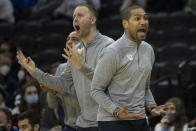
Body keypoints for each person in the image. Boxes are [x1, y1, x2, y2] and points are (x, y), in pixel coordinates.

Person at [16, 4, 114, 131]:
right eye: (74, 17)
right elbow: (62, 84)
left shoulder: (109, 46)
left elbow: (106, 81)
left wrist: (81, 67)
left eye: (80, 15)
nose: (75, 19)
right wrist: (34, 71)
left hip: (106, 122)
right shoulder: (75, 51)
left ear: (92, 20)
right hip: (83, 124)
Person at [90, 5, 168, 131]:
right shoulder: (112, 51)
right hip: (113, 121)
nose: (143, 22)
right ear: (125, 24)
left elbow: (145, 87)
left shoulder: (148, 50)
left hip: (139, 118)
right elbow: (96, 90)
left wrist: (152, 106)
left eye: (145, 18)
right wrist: (116, 111)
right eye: (137, 19)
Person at [41, 31, 81, 131]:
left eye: (75, 39)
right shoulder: (61, 68)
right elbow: (53, 105)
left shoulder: (94, 66)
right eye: (68, 40)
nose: (69, 42)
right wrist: (51, 91)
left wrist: (58, 91)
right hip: (70, 126)